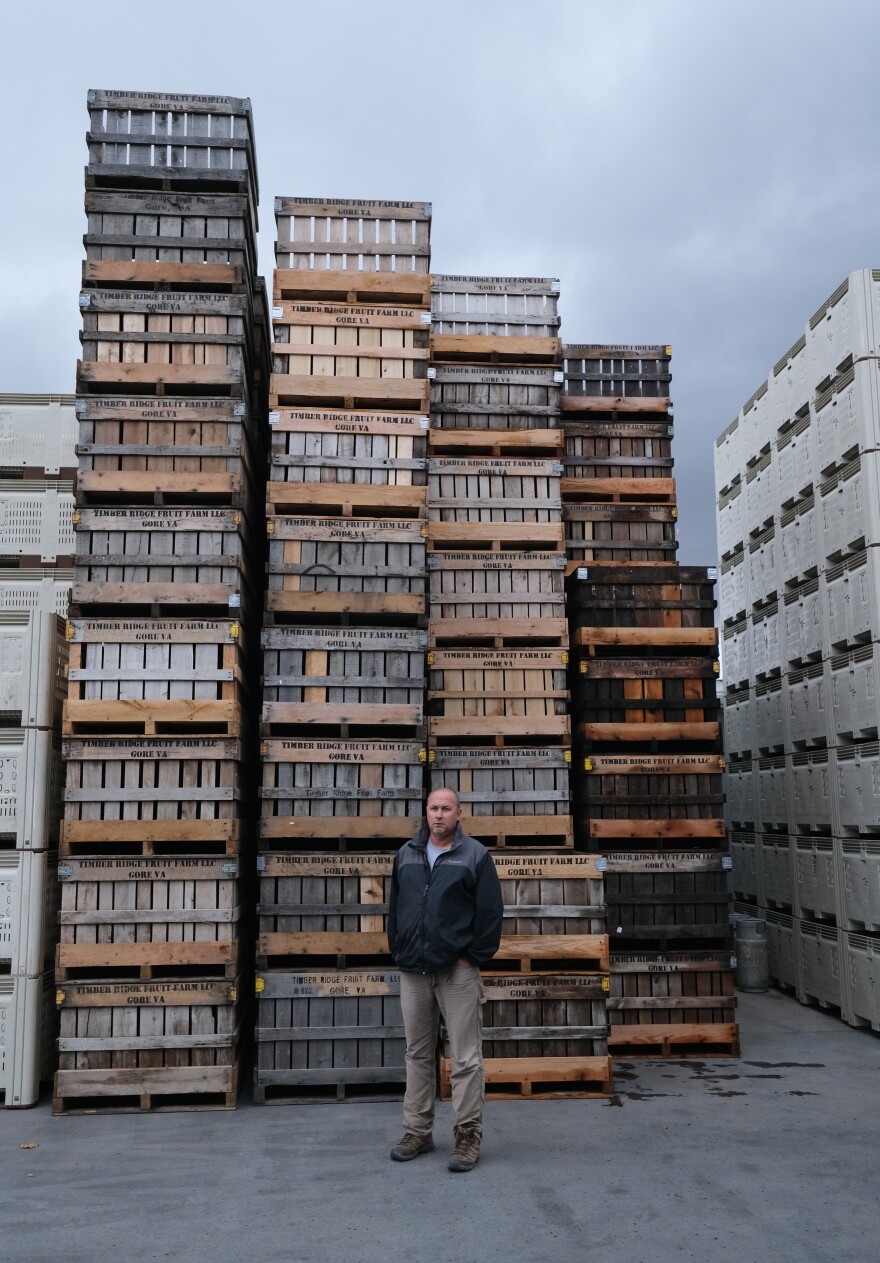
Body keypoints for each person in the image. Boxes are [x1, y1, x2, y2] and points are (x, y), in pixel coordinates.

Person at [387, 786, 504, 1173]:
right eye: (434, 808)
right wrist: (400, 950)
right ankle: (417, 1132)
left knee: (466, 1058)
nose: (439, 815)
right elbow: (396, 908)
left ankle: (467, 1135)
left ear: (458, 813)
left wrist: (472, 957)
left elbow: (490, 912)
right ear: (426, 812)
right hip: (413, 971)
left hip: (456, 971)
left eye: (446, 808)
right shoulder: (407, 854)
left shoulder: (474, 855)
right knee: (417, 1054)